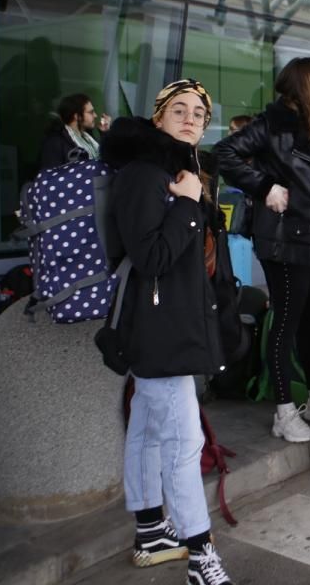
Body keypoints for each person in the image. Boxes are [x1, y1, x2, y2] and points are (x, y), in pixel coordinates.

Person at [100, 79, 236, 585]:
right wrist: (185, 203)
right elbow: (152, 256)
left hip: (168, 323)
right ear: (157, 119)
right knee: (183, 440)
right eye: (178, 110)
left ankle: (151, 531)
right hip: (158, 330)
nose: (190, 118)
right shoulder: (144, 175)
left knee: (150, 432)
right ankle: (201, 556)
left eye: (199, 113)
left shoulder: (182, 173)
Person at [215, 58, 310, 443]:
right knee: (285, 324)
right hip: (285, 241)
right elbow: (222, 154)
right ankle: (283, 413)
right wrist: (265, 186)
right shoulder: (272, 125)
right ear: (309, 86)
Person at [39, 93, 110, 170]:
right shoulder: (55, 142)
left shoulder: (87, 137)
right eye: (91, 112)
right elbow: (51, 175)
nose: (95, 115)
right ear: (77, 116)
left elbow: (105, 158)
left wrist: (104, 133)